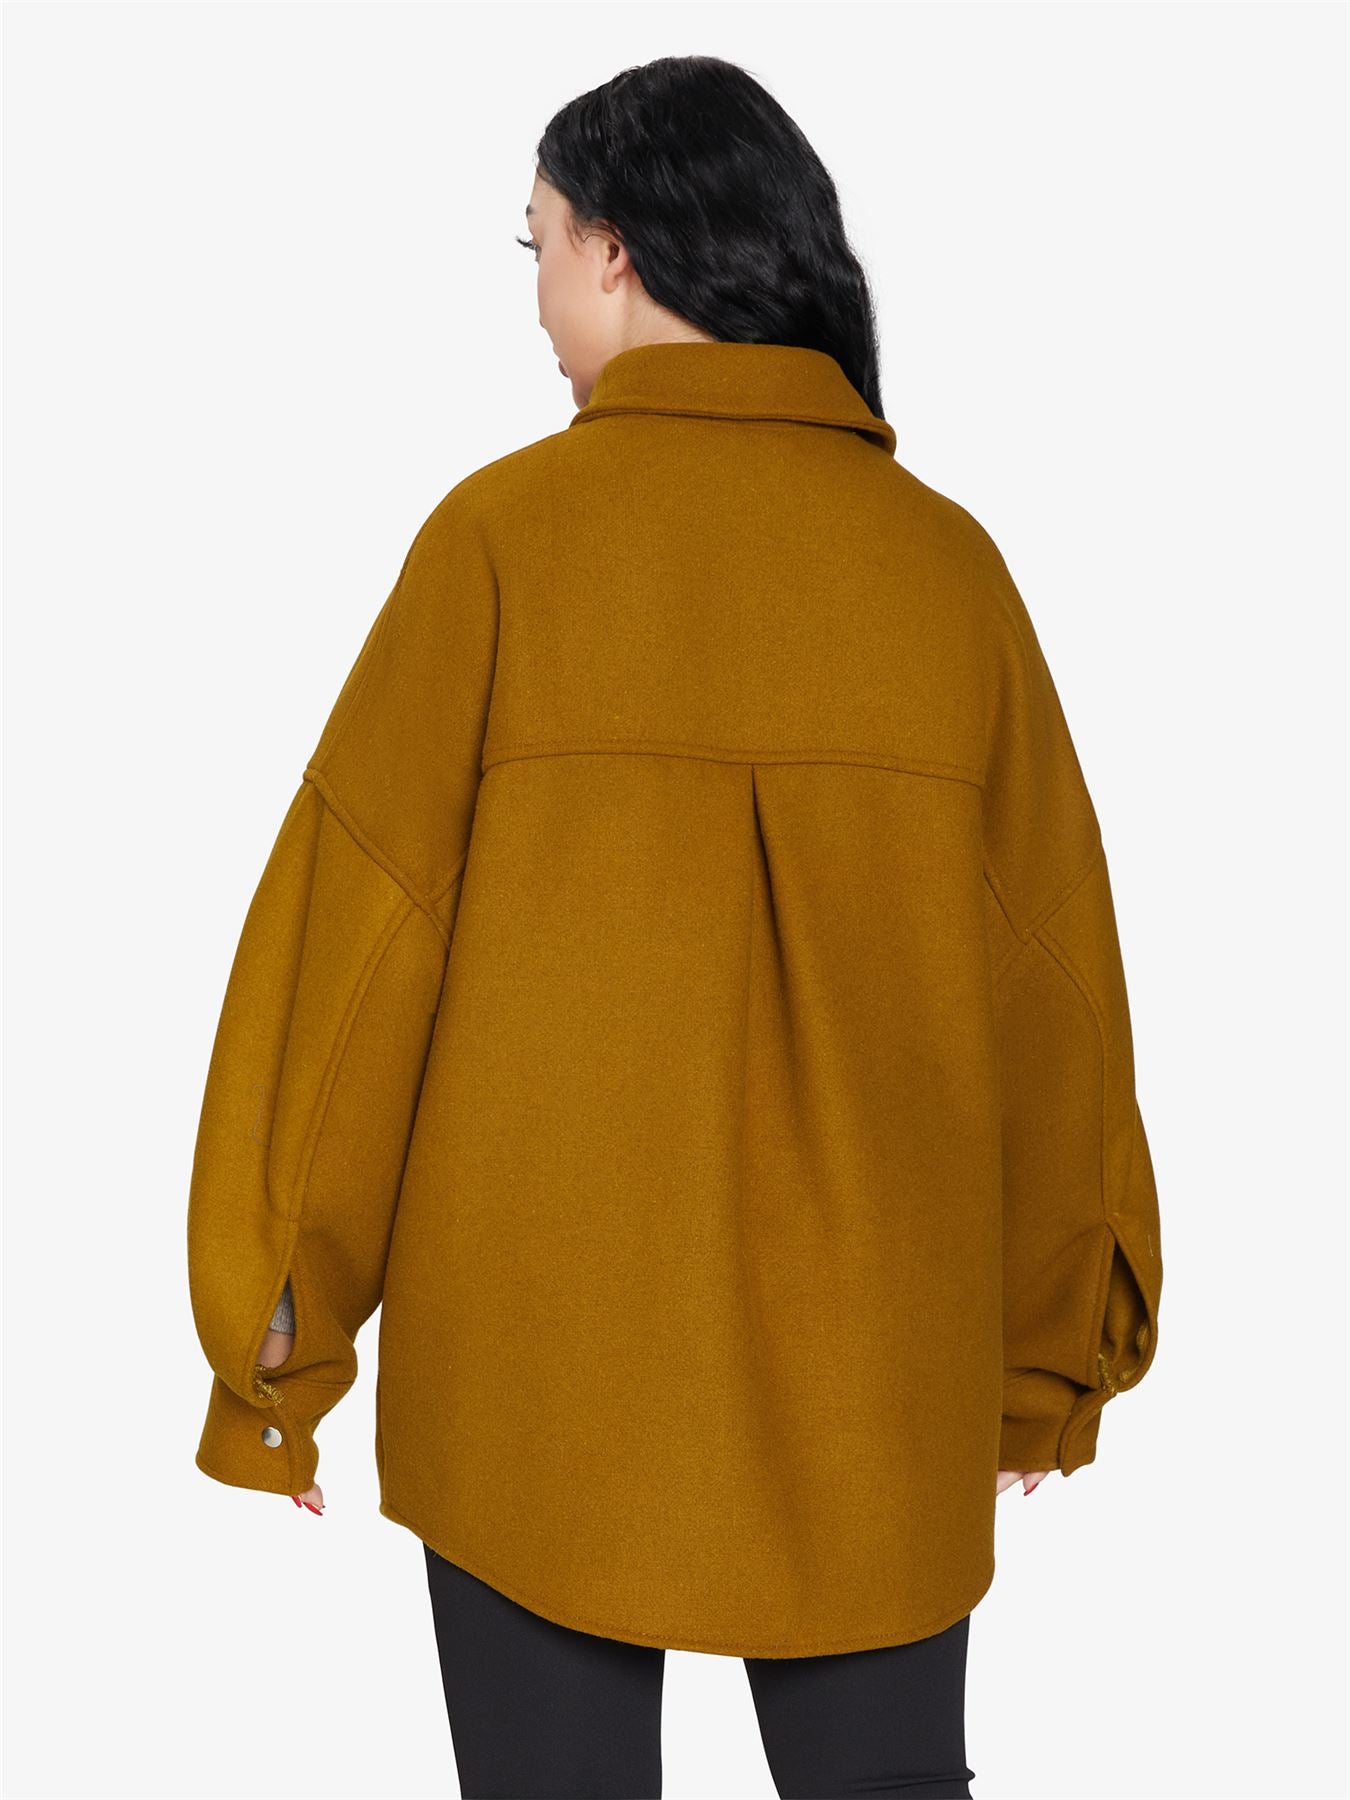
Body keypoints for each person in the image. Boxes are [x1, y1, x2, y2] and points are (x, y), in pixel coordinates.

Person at [186, 53, 1163, 1800]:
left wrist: (277, 1321)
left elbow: (354, 959)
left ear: (618, 252)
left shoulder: (500, 543)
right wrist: (1049, 1357)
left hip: (535, 1376)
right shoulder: (944, 571)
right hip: (874, 1380)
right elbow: (1056, 1003)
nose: (536, 303)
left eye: (537, 245)